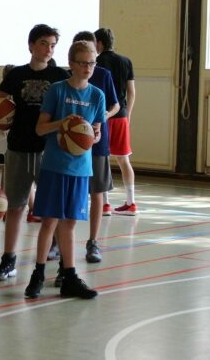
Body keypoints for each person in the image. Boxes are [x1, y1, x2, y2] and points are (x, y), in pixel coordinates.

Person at [24, 40, 104, 300]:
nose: (88, 67)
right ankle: (38, 274)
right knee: (49, 222)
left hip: (81, 168)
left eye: (92, 63)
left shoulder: (97, 95)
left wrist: (92, 135)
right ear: (71, 64)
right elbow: (39, 129)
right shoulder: (57, 90)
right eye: (82, 63)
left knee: (69, 224)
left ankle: (69, 276)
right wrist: (64, 124)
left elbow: (96, 133)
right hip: (55, 166)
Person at [0, 25, 69, 281]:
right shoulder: (16, 75)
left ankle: (60, 259)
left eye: (53, 45)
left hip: (49, 150)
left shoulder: (60, 76)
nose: (49, 49)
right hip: (18, 147)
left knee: (52, 210)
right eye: (44, 43)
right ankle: (8, 260)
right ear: (31, 45)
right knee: (15, 207)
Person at [73, 31, 120, 264]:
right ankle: (58, 241)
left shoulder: (103, 75)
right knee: (70, 192)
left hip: (97, 142)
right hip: (71, 144)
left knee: (97, 191)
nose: (87, 63)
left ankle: (93, 241)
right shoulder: (66, 80)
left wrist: (103, 116)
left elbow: (115, 105)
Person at [95, 28, 138, 215]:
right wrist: (127, 114)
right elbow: (132, 92)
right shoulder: (126, 61)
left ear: (99, 43)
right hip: (120, 115)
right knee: (124, 160)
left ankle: (105, 204)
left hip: (103, 116)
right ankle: (131, 202)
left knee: (102, 160)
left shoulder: (97, 63)